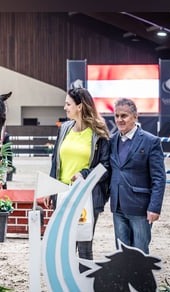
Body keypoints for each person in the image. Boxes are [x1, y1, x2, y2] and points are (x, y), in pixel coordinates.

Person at [43, 87, 110, 271]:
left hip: (86, 196)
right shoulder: (64, 129)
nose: (65, 107)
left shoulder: (99, 132)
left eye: (68, 104)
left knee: (84, 246)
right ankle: (67, 288)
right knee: (64, 246)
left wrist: (84, 175)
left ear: (80, 106)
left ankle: (85, 289)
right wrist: (51, 188)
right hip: (63, 195)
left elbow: (105, 165)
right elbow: (55, 160)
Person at [109, 98, 166, 254]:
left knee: (140, 254)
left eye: (124, 116)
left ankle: (139, 280)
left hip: (141, 208)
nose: (119, 120)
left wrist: (154, 207)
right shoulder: (111, 141)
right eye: (117, 116)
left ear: (135, 117)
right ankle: (124, 279)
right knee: (121, 253)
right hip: (117, 206)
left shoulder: (151, 141)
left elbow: (159, 178)